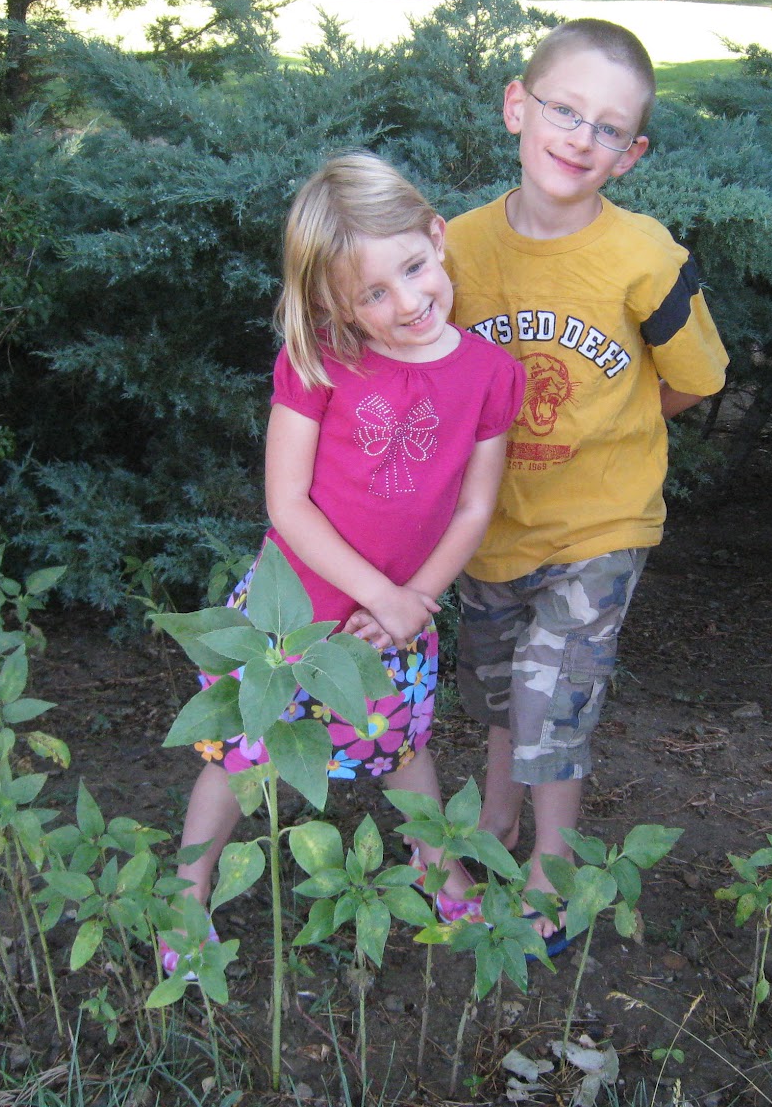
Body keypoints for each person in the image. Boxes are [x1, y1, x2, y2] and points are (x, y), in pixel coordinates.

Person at [163, 153, 527, 974]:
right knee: (238, 755)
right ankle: (187, 892)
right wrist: (381, 593)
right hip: (291, 620)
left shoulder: (490, 375)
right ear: (335, 302)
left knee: (402, 746)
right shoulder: (321, 361)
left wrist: (417, 598)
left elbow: (475, 505)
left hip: (399, 617)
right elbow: (287, 503)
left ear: (438, 237)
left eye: (414, 267)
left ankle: (438, 866)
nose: (408, 303)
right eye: (373, 294)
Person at [445, 19, 730, 949]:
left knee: (554, 698)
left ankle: (551, 869)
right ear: (515, 108)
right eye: (564, 110)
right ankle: (495, 825)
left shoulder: (646, 259)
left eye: (608, 128)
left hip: (601, 526)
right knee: (498, 694)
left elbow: (695, 378)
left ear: (632, 153)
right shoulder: (452, 252)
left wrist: (616, 431)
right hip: (487, 526)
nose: (580, 137)